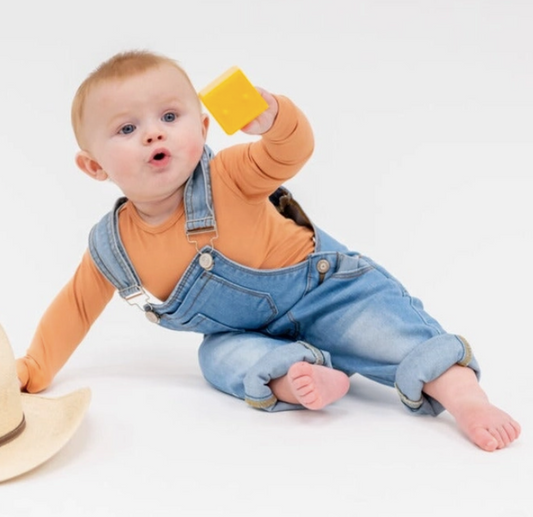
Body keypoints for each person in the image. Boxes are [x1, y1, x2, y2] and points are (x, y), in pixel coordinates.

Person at [15, 49, 520, 452]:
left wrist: (274, 119)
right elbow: (75, 309)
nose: (154, 132)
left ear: (203, 128)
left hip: (326, 290)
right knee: (218, 359)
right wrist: (33, 370)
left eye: (170, 115)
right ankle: (297, 376)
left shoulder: (228, 175)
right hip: (248, 332)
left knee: (386, 330)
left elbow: (290, 151)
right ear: (94, 167)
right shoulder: (113, 246)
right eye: (127, 129)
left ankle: (464, 396)